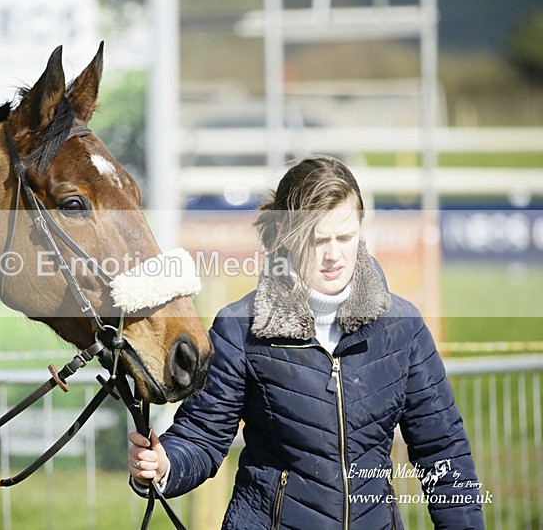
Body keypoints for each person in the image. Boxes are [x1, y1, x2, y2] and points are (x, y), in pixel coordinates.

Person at [128, 156, 484, 529]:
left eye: (345, 237)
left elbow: (443, 452)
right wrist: (164, 464)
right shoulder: (239, 329)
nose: (334, 255)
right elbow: (201, 435)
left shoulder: (402, 327)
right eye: (319, 240)